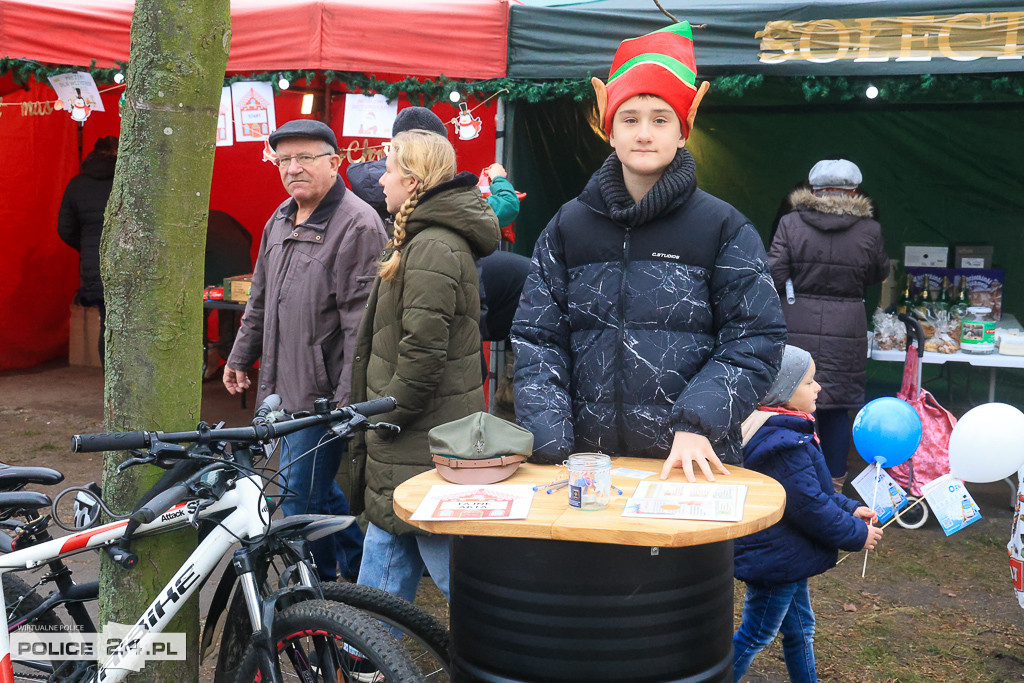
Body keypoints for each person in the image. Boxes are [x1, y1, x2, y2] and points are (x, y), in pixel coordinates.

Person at [511, 21, 786, 481]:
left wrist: (699, 423)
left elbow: (755, 339)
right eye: (630, 119)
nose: (644, 133)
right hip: (587, 471)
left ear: (682, 132)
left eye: (660, 119)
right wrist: (551, 442)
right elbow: (538, 338)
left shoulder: (723, 227)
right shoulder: (567, 227)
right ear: (609, 131)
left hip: (691, 467)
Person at [224, 119, 387, 581]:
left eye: (305, 158)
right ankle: (359, 572)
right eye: (284, 160)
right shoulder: (279, 217)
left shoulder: (358, 224)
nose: (293, 168)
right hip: (282, 384)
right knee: (314, 492)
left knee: (297, 500)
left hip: (322, 396)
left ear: (335, 162)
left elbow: (361, 326)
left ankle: (312, 594)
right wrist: (239, 356)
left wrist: (344, 403)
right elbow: (260, 296)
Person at [350, 129, 499, 604]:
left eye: (390, 170)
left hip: (419, 434)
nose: (382, 181)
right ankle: (363, 658)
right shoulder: (421, 240)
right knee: (389, 544)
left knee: (458, 576)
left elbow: (422, 354)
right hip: (412, 436)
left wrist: (384, 418)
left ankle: (504, 659)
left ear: (412, 181)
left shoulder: (434, 246)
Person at [733, 345, 883, 682]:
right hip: (776, 559)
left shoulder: (786, 430)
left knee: (801, 630)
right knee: (756, 634)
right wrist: (858, 535)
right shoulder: (783, 445)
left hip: (787, 554)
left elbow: (817, 492)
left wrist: (851, 507)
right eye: (809, 382)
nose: (818, 388)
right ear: (785, 392)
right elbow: (812, 508)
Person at [768, 158, 890, 492]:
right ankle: (834, 488)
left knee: (792, 402)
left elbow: (774, 272)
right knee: (836, 408)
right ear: (854, 190)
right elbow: (879, 273)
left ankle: (793, 483)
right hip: (846, 328)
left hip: (796, 321)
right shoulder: (870, 230)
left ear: (813, 189)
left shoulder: (790, 223)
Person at [346, 106, 520, 229]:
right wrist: (498, 179)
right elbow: (506, 207)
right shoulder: (443, 202)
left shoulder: (360, 192)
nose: (382, 181)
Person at [57, 135, 118, 361]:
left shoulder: (77, 184)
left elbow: (64, 228)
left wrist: (86, 248)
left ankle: (110, 387)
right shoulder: (128, 182)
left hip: (95, 265)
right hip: (129, 263)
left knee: (107, 326)